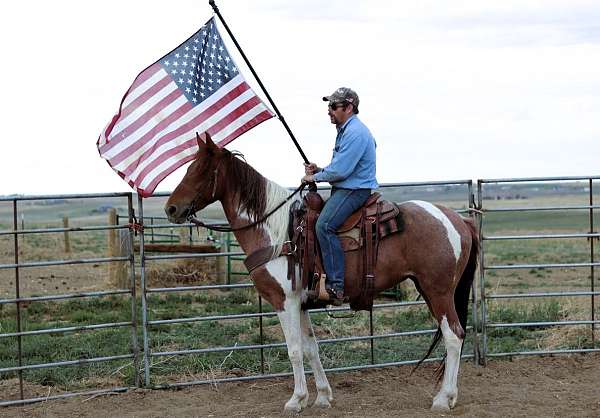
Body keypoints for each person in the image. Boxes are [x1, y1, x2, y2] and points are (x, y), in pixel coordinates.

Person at [301, 87, 378, 305]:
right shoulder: (346, 130)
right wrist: (319, 170)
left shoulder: (355, 133)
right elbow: (339, 167)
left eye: (334, 106)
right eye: (329, 106)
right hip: (348, 186)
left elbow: (341, 171)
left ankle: (336, 286)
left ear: (349, 107)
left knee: (324, 226)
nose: (329, 110)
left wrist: (313, 178)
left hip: (353, 190)